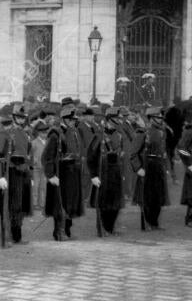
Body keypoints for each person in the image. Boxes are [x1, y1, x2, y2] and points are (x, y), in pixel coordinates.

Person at [41, 102, 84, 241]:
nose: (73, 122)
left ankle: (67, 230)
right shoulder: (56, 134)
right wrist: (51, 175)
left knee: (71, 202)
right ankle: (59, 232)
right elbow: (47, 156)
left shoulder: (74, 132)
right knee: (60, 203)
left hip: (72, 172)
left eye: (74, 120)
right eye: (71, 119)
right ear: (64, 119)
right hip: (61, 172)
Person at [130, 105, 169, 230]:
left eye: (161, 118)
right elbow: (133, 153)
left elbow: (163, 151)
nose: (161, 120)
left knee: (158, 196)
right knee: (146, 197)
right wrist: (138, 168)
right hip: (147, 165)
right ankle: (146, 223)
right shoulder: (143, 132)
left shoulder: (162, 132)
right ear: (151, 118)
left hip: (158, 166)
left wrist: (165, 166)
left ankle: (154, 222)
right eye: (158, 118)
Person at [87, 107, 124, 235]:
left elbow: (121, 155)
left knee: (116, 203)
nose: (118, 120)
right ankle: (104, 227)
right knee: (104, 203)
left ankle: (110, 227)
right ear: (109, 119)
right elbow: (91, 157)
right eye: (116, 118)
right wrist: (93, 175)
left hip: (116, 172)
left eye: (119, 118)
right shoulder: (99, 136)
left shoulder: (119, 135)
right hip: (103, 172)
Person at [4, 105, 33, 244]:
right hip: (13, 171)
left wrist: (29, 170)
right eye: (19, 117)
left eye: (23, 118)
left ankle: (17, 235)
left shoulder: (26, 133)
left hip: (24, 171)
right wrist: (15, 165)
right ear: (14, 117)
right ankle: (14, 236)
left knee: (22, 204)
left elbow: (28, 153)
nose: (21, 120)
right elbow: (5, 154)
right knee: (14, 204)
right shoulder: (9, 132)